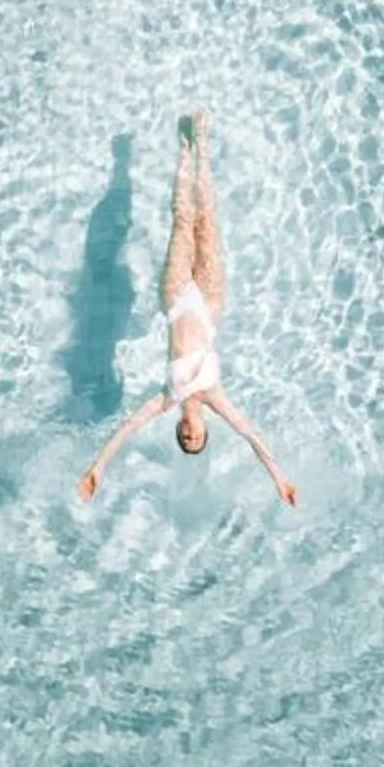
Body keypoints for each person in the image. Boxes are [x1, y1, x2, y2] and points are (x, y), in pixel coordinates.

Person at [78, 113, 297, 508]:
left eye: (184, 439)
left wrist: (97, 468)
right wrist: (279, 478)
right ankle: (204, 146)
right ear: (204, 429)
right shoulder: (214, 395)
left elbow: (127, 428)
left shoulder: (168, 397)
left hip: (177, 298)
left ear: (179, 429)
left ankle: (182, 150)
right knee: (207, 222)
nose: (189, 437)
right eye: (196, 440)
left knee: (182, 222)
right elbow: (251, 435)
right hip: (211, 301)